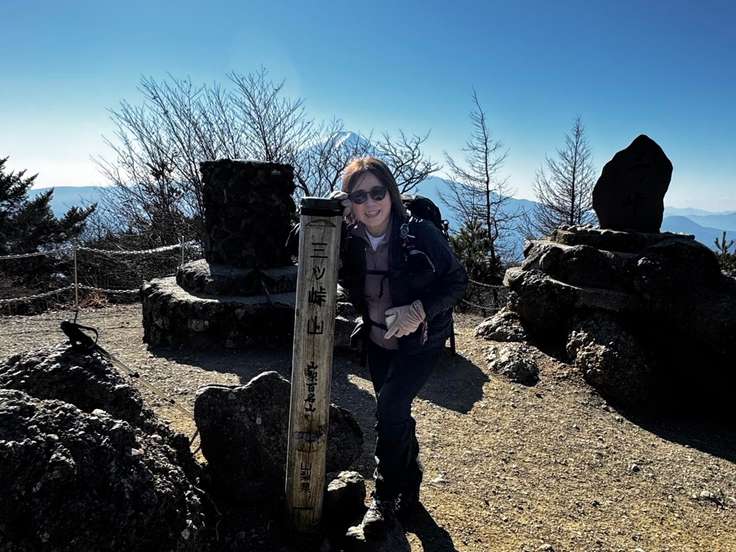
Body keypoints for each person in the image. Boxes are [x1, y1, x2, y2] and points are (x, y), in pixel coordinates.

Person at [331, 156, 467, 537]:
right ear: (350, 201)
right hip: (377, 340)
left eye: (377, 192)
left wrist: (420, 309)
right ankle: (411, 482)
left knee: (389, 409)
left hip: (419, 343)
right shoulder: (349, 238)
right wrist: (327, 213)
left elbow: (458, 279)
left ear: (390, 193)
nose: (370, 203)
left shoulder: (418, 234)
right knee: (396, 414)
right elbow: (296, 245)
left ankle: (385, 500)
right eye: (359, 196)